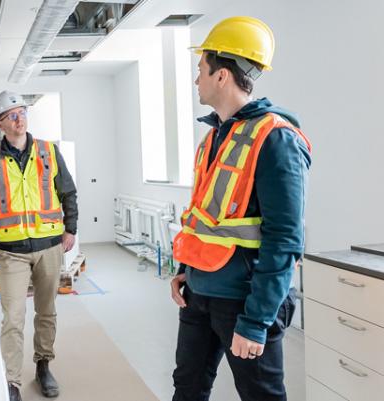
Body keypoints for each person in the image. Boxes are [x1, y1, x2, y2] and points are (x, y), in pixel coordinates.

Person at [169, 16, 312, 401]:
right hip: (200, 293)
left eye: (200, 69)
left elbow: (285, 239)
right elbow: (206, 218)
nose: (196, 79)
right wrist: (187, 271)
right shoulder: (213, 137)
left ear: (221, 75)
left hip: (245, 302)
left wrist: (256, 321)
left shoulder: (275, 138)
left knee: (261, 395)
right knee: (187, 389)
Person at [0, 90, 78, 401]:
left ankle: (43, 366)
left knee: (46, 312)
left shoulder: (49, 151)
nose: (19, 118)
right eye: (12, 115)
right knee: (12, 317)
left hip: (50, 245)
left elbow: (68, 193)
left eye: (22, 112)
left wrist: (71, 230)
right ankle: (11, 381)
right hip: (12, 251)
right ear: (0, 123)